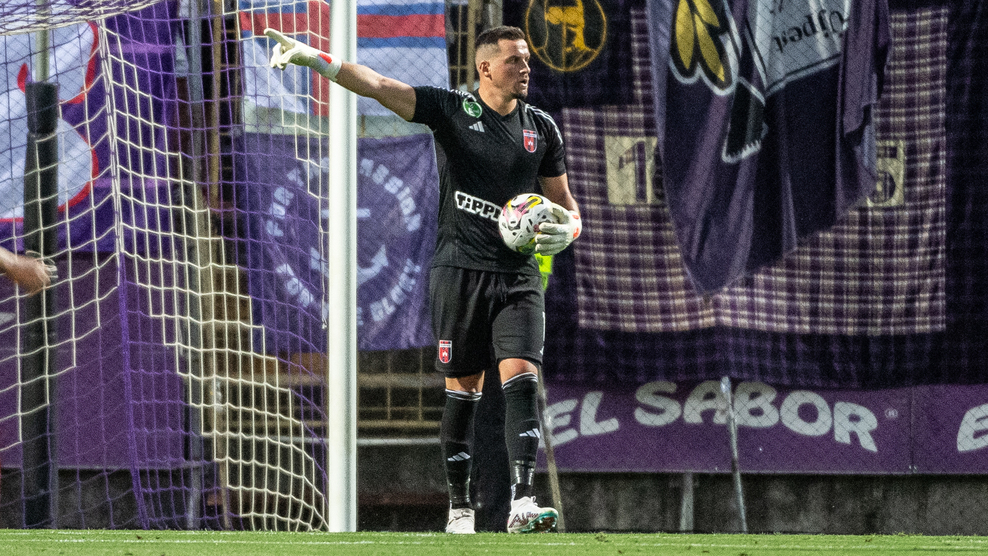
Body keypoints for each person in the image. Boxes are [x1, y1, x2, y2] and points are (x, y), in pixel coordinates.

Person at [266, 24, 581, 534]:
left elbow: (565, 205)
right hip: (459, 272)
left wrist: (570, 229)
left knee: (522, 377)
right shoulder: (452, 110)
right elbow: (377, 84)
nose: (526, 68)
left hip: (519, 276)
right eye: (515, 60)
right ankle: (460, 509)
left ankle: (522, 501)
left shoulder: (541, 128)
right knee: (464, 390)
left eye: (527, 60)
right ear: (485, 67)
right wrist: (316, 60)